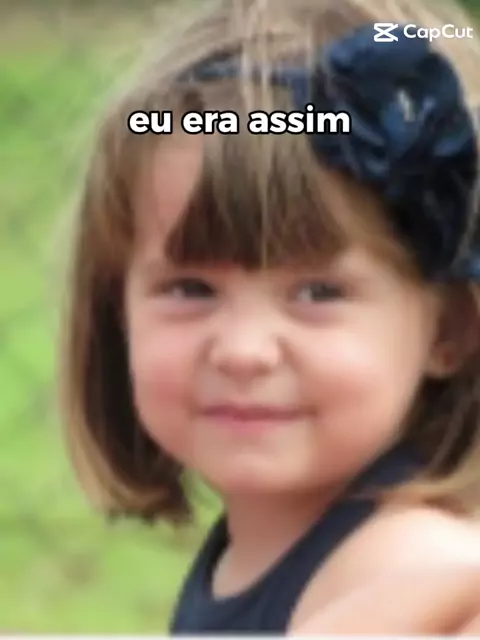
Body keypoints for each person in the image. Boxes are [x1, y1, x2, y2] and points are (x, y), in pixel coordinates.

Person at [58, 0, 480, 634]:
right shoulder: (259, 550)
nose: (243, 351)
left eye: (318, 292)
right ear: (116, 304)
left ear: (450, 328)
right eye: (191, 288)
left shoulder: (405, 573)